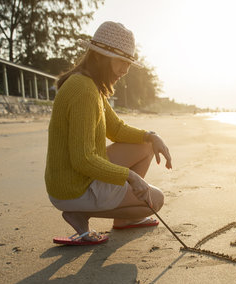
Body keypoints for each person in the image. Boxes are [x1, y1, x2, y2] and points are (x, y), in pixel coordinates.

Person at [45, 21, 172, 245]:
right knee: (157, 200)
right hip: (73, 187)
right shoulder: (83, 90)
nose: (126, 70)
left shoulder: (91, 85)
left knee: (145, 145)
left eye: (129, 63)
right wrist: (130, 177)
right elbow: (82, 159)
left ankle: (122, 219)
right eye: (122, 62)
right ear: (100, 57)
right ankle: (80, 213)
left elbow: (116, 129)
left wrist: (152, 136)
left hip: (77, 176)